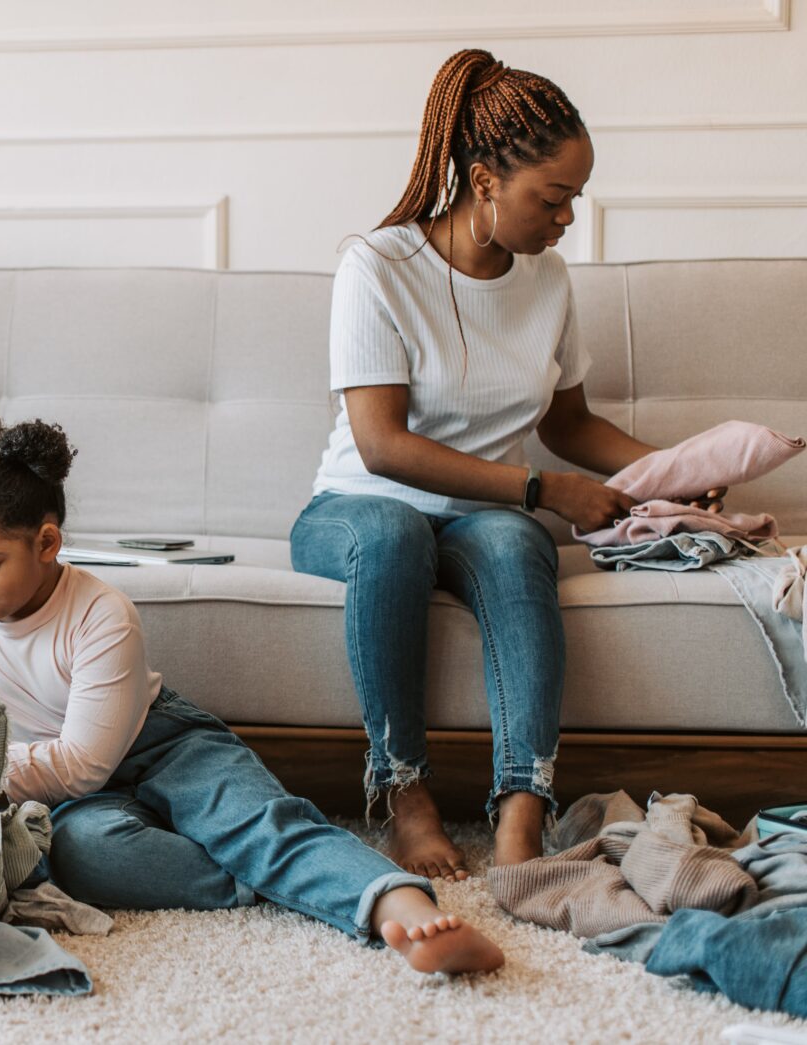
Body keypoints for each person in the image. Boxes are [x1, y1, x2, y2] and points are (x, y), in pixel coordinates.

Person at [289, 49, 724, 880]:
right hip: (359, 505)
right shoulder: (377, 266)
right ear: (484, 181)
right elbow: (383, 445)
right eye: (552, 199)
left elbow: (570, 424)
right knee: (392, 535)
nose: (567, 221)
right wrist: (539, 490)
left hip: (479, 515)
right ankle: (404, 798)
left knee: (520, 545)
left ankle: (522, 814)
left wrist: (671, 471)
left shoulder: (548, 280)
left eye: (575, 200)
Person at [0, 407, 504, 975]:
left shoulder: (101, 613)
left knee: (257, 823)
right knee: (84, 854)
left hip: (162, 745)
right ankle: (271, 878)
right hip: (67, 793)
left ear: (47, 543)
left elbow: (80, 765)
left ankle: (398, 905)